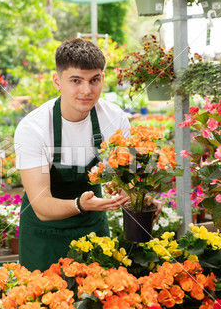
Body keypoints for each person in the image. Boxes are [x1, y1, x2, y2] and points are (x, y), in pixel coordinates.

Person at [14, 38, 133, 272]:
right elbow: (41, 206)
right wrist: (81, 204)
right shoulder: (34, 128)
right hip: (43, 236)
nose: (86, 91)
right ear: (57, 81)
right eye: (76, 81)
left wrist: (135, 196)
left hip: (93, 229)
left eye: (94, 80)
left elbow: (125, 179)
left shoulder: (114, 119)